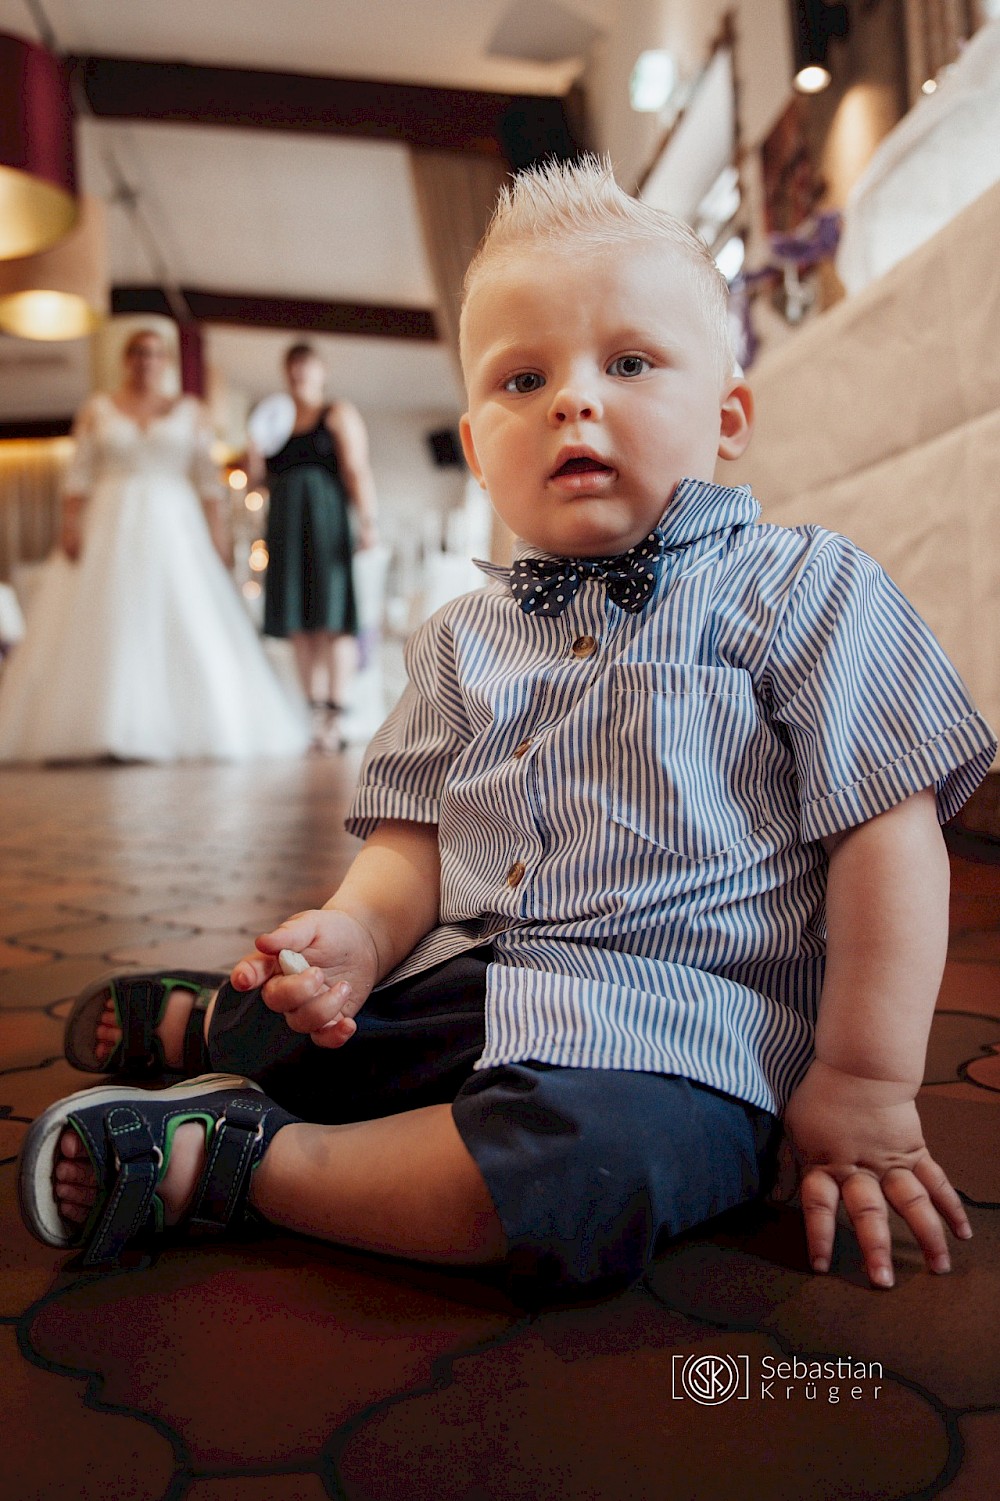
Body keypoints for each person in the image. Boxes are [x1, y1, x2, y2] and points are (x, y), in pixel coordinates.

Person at [21, 160, 997, 1298]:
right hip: (480, 979)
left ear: (726, 417)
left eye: (628, 363)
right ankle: (218, 1024)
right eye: (523, 379)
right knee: (334, 1017)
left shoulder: (806, 589)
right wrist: (359, 934)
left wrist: (867, 1081)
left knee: (577, 1178)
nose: (573, 401)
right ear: (482, 450)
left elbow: (886, 834)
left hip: (686, 1033)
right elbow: (418, 842)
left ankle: (252, 1160)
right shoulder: (461, 638)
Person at [0, 327, 310, 762]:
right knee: (106, 617)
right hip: (109, 520)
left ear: (166, 362)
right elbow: (79, 473)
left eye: (155, 354)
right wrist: (70, 523)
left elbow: (207, 480)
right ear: (127, 360)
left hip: (175, 525)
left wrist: (218, 533)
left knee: (187, 614)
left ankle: (193, 725)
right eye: (139, 353)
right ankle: (101, 726)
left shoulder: (190, 411)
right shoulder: (98, 408)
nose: (147, 361)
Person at [246, 343, 379, 752]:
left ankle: (336, 714)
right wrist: (252, 454)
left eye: (306, 365)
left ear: (321, 371)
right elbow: (256, 484)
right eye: (292, 366)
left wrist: (368, 521)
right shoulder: (272, 421)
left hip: (325, 523)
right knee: (299, 624)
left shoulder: (336, 414)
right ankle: (315, 713)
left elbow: (356, 469)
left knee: (334, 617)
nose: (299, 373)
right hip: (285, 527)